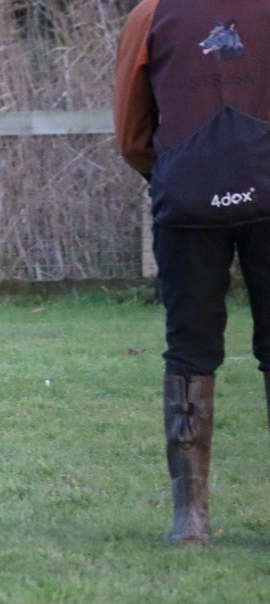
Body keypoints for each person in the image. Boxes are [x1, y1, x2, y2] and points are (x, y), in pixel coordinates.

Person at [114, 0, 270, 545]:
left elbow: (131, 128)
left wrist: (171, 175)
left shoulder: (150, 14)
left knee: (189, 349)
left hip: (187, 202)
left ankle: (191, 519)